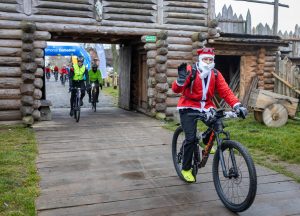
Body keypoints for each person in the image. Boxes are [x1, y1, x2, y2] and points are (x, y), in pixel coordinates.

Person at [171, 47, 247, 183]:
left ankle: (207, 140)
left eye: (210, 59)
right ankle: (186, 168)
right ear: (200, 60)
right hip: (188, 106)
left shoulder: (215, 74)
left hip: (206, 106)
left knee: (218, 122)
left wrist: (237, 105)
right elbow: (177, 89)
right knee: (191, 139)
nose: (208, 62)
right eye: (205, 59)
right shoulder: (191, 70)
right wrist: (180, 80)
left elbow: (226, 91)